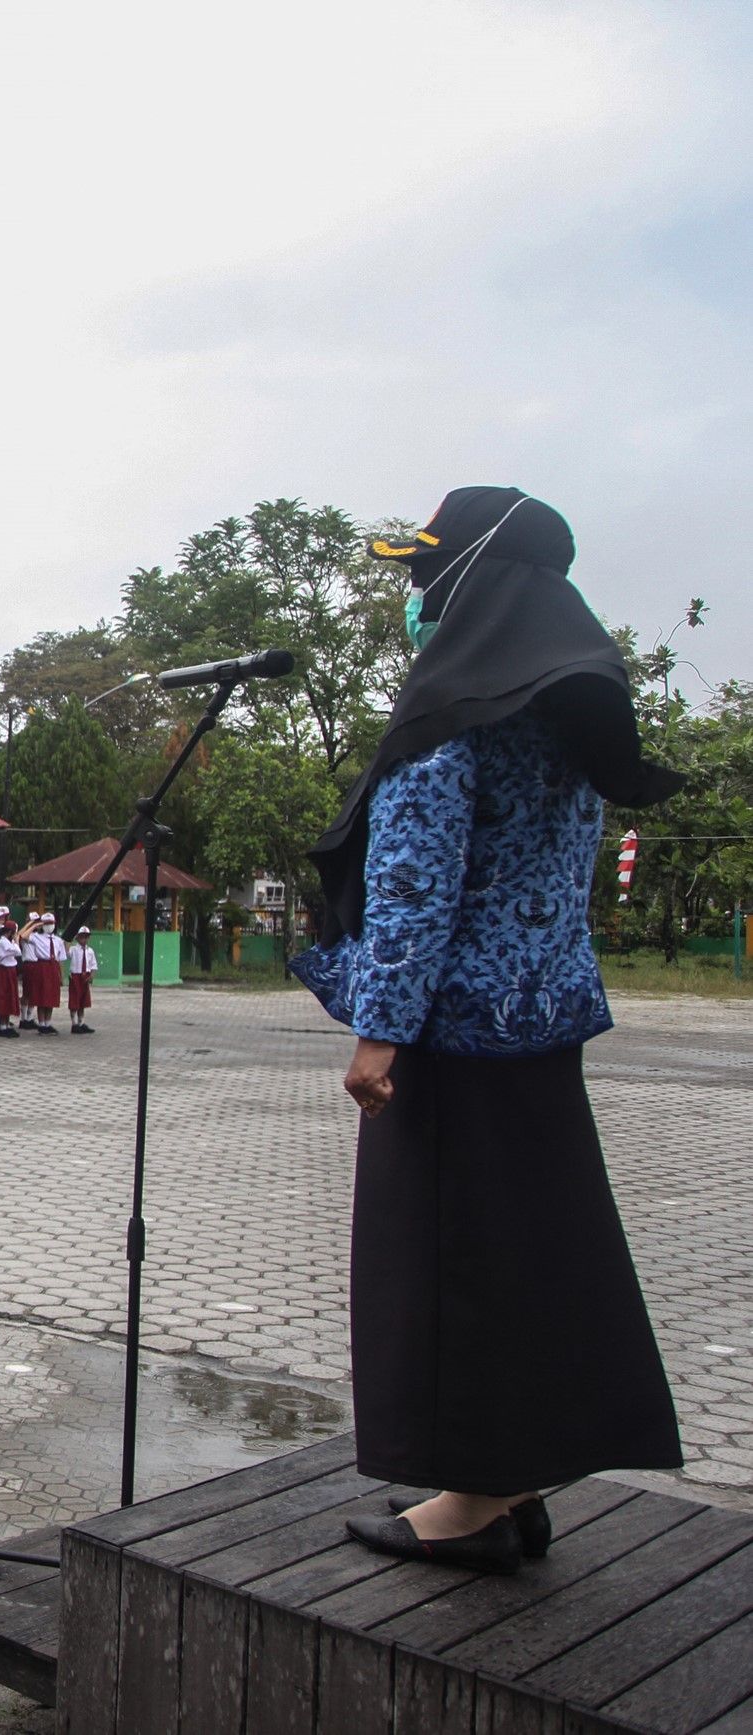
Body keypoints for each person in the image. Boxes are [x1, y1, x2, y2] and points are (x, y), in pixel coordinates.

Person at [291, 488, 683, 1574]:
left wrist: (377, 1034)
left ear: (461, 587)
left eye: (423, 580)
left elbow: (414, 893)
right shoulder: (564, 714)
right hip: (540, 1032)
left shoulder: (450, 715)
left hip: (449, 1044)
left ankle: (470, 1498)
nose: (413, 603)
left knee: (446, 1264)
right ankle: (510, 1482)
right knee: (529, 1258)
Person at [65, 925, 99, 1034]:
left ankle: (81, 1022)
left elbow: (93, 965)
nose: (84, 939)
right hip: (76, 976)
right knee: (74, 1001)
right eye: (82, 937)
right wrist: (69, 938)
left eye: (86, 937)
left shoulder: (90, 951)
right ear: (77, 937)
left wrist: (91, 976)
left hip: (85, 976)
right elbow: (66, 953)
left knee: (83, 1001)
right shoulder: (74, 949)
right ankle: (74, 1024)